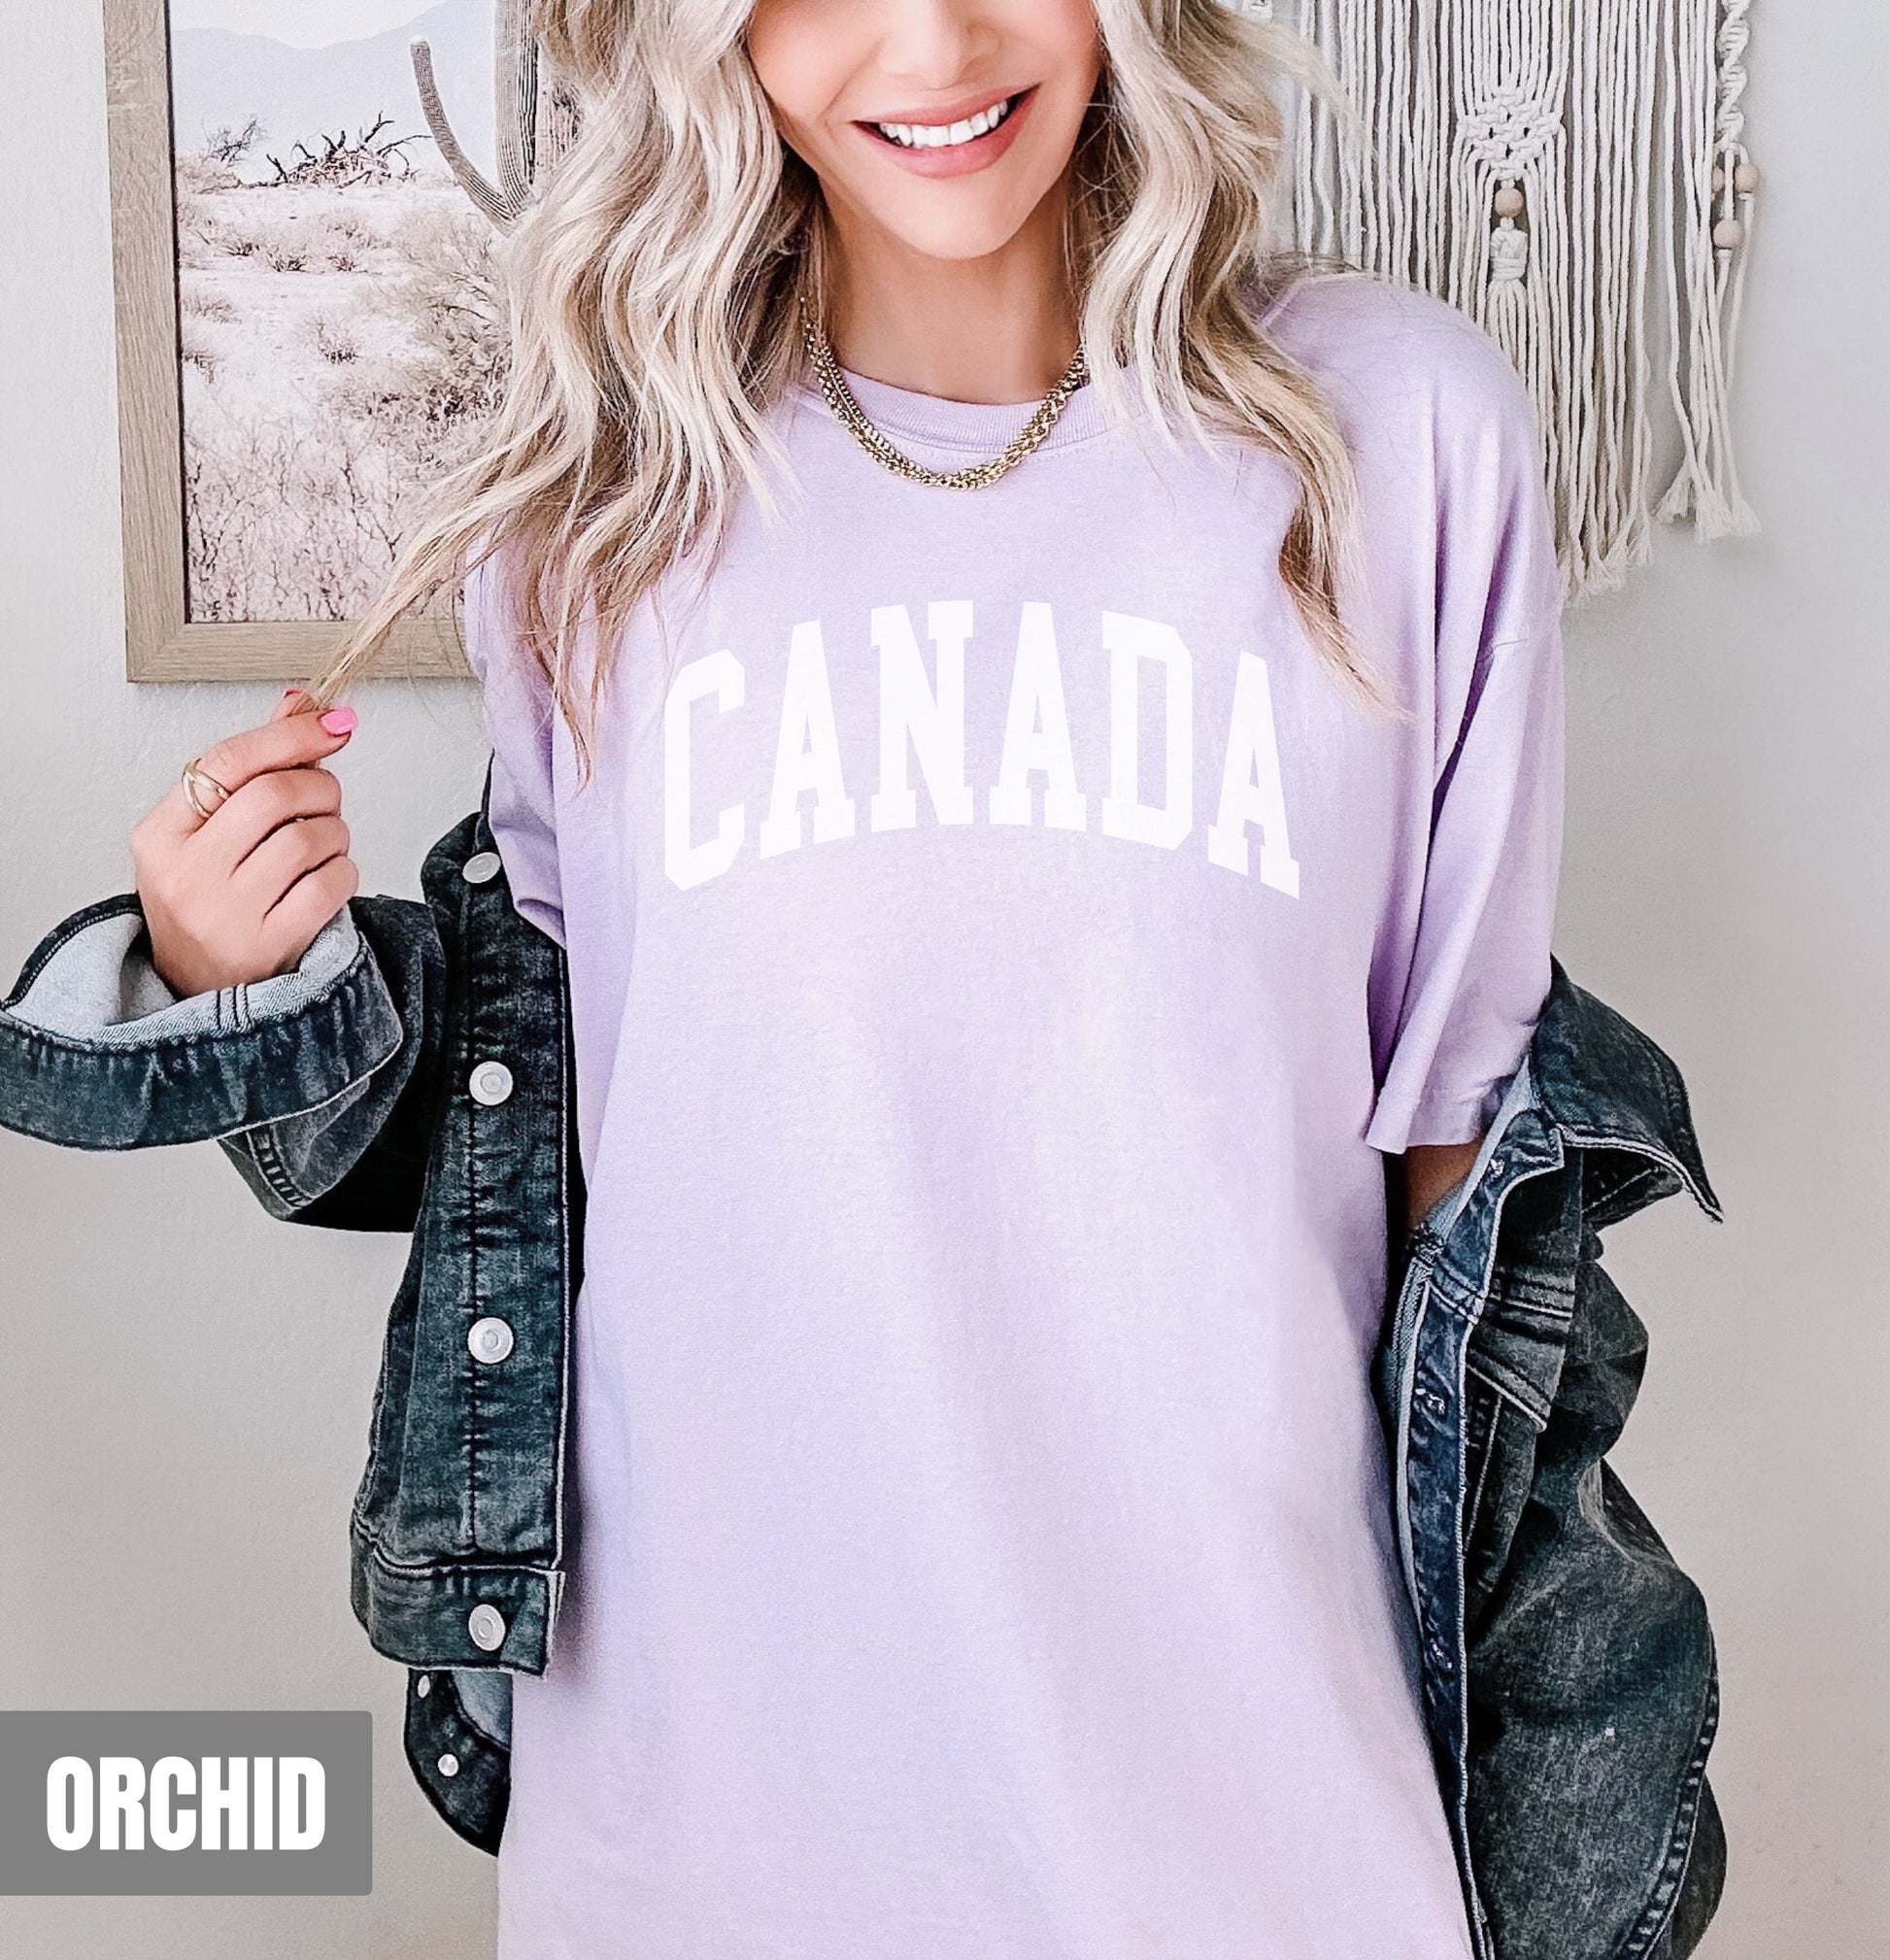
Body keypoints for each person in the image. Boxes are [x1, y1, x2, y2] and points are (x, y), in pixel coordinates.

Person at [123, 3, 1565, 1953]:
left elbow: (1461, 1191)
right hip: (704, 1825)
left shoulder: (1400, 442)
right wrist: (246, 984)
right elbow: (572, 1150)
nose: (936, 38)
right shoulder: (594, 520)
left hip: (1258, 1818)